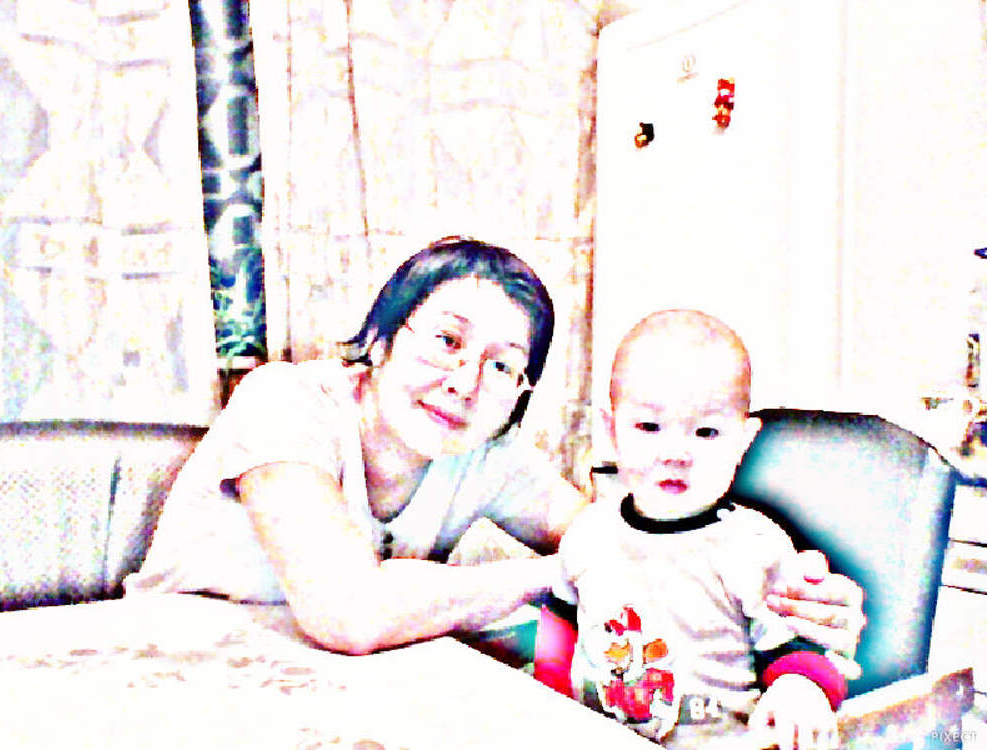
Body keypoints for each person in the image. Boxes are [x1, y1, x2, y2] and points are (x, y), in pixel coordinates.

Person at [126, 237, 864, 659]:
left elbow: (629, 541)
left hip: (334, 691)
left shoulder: (488, 454)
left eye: (505, 365)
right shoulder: (284, 402)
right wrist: (554, 572)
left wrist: (787, 590)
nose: (465, 383)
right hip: (169, 663)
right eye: (446, 340)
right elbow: (349, 612)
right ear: (381, 340)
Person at [556, 310, 854, 750]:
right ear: (611, 430)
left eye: (706, 432)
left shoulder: (755, 547)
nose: (676, 452)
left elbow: (801, 650)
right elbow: (558, 632)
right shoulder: (587, 534)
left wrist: (798, 690)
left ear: (743, 441)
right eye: (649, 427)